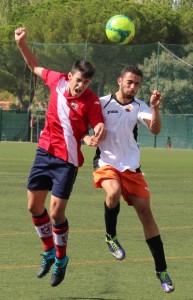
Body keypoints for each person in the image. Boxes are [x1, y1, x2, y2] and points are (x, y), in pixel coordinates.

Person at [15, 27, 106, 287]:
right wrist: (21, 43)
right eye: (78, 80)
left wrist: (95, 133)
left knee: (56, 213)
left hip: (67, 161)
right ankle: (47, 252)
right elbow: (35, 67)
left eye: (86, 83)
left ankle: (62, 259)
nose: (81, 86)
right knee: (34, 207)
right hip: (44, 153)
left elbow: (97, 124)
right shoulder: (56, 81)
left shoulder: (91, 101)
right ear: (70, 76)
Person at [91, 65, 174, 293]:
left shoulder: (140, 106)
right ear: (119, 81)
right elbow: (82, 124)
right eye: (129, 82)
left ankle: (162, 271)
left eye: (137, 83)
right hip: (106, 163)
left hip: (132, 168)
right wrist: (89, 137)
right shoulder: (102, 102)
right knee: (113, 192)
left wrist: (155, 109)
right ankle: (111, 235)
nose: (133, 87)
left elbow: (155, 129)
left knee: (147, 215)